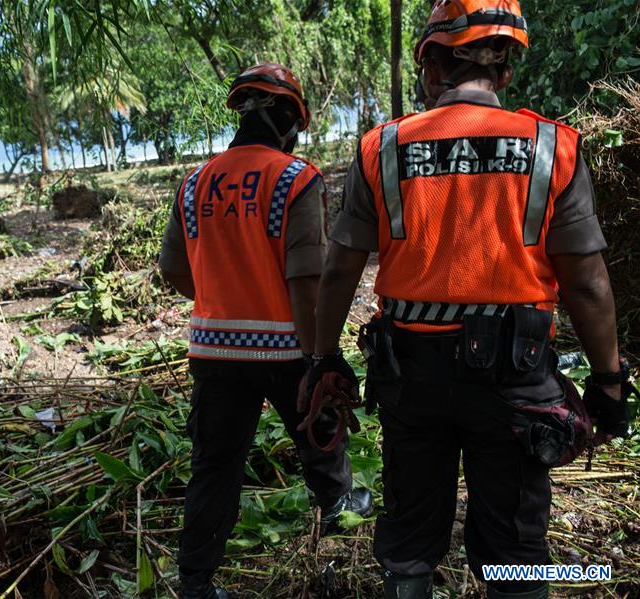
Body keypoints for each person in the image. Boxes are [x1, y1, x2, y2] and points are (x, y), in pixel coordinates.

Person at [305, 1, 632, 597]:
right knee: (515, 544)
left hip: (411, 378)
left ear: (431, 66)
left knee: (408, 536)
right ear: (505, 71)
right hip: (516, 379)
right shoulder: (549, 147)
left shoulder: (382, 148)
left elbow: (338, 271)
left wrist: (325, 360)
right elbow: (586, 282)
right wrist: (609, 380)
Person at [158, 63, 373, 599]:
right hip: (284, 347)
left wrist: (222, 300)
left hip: (213, 351)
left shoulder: (195, 182)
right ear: (287, 120)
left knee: (215, 466)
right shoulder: (296, 179)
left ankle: (196, 582)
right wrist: (320, 354)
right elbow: (305, 278)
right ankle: (340, 518)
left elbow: (174, 271)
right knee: (319, 436)